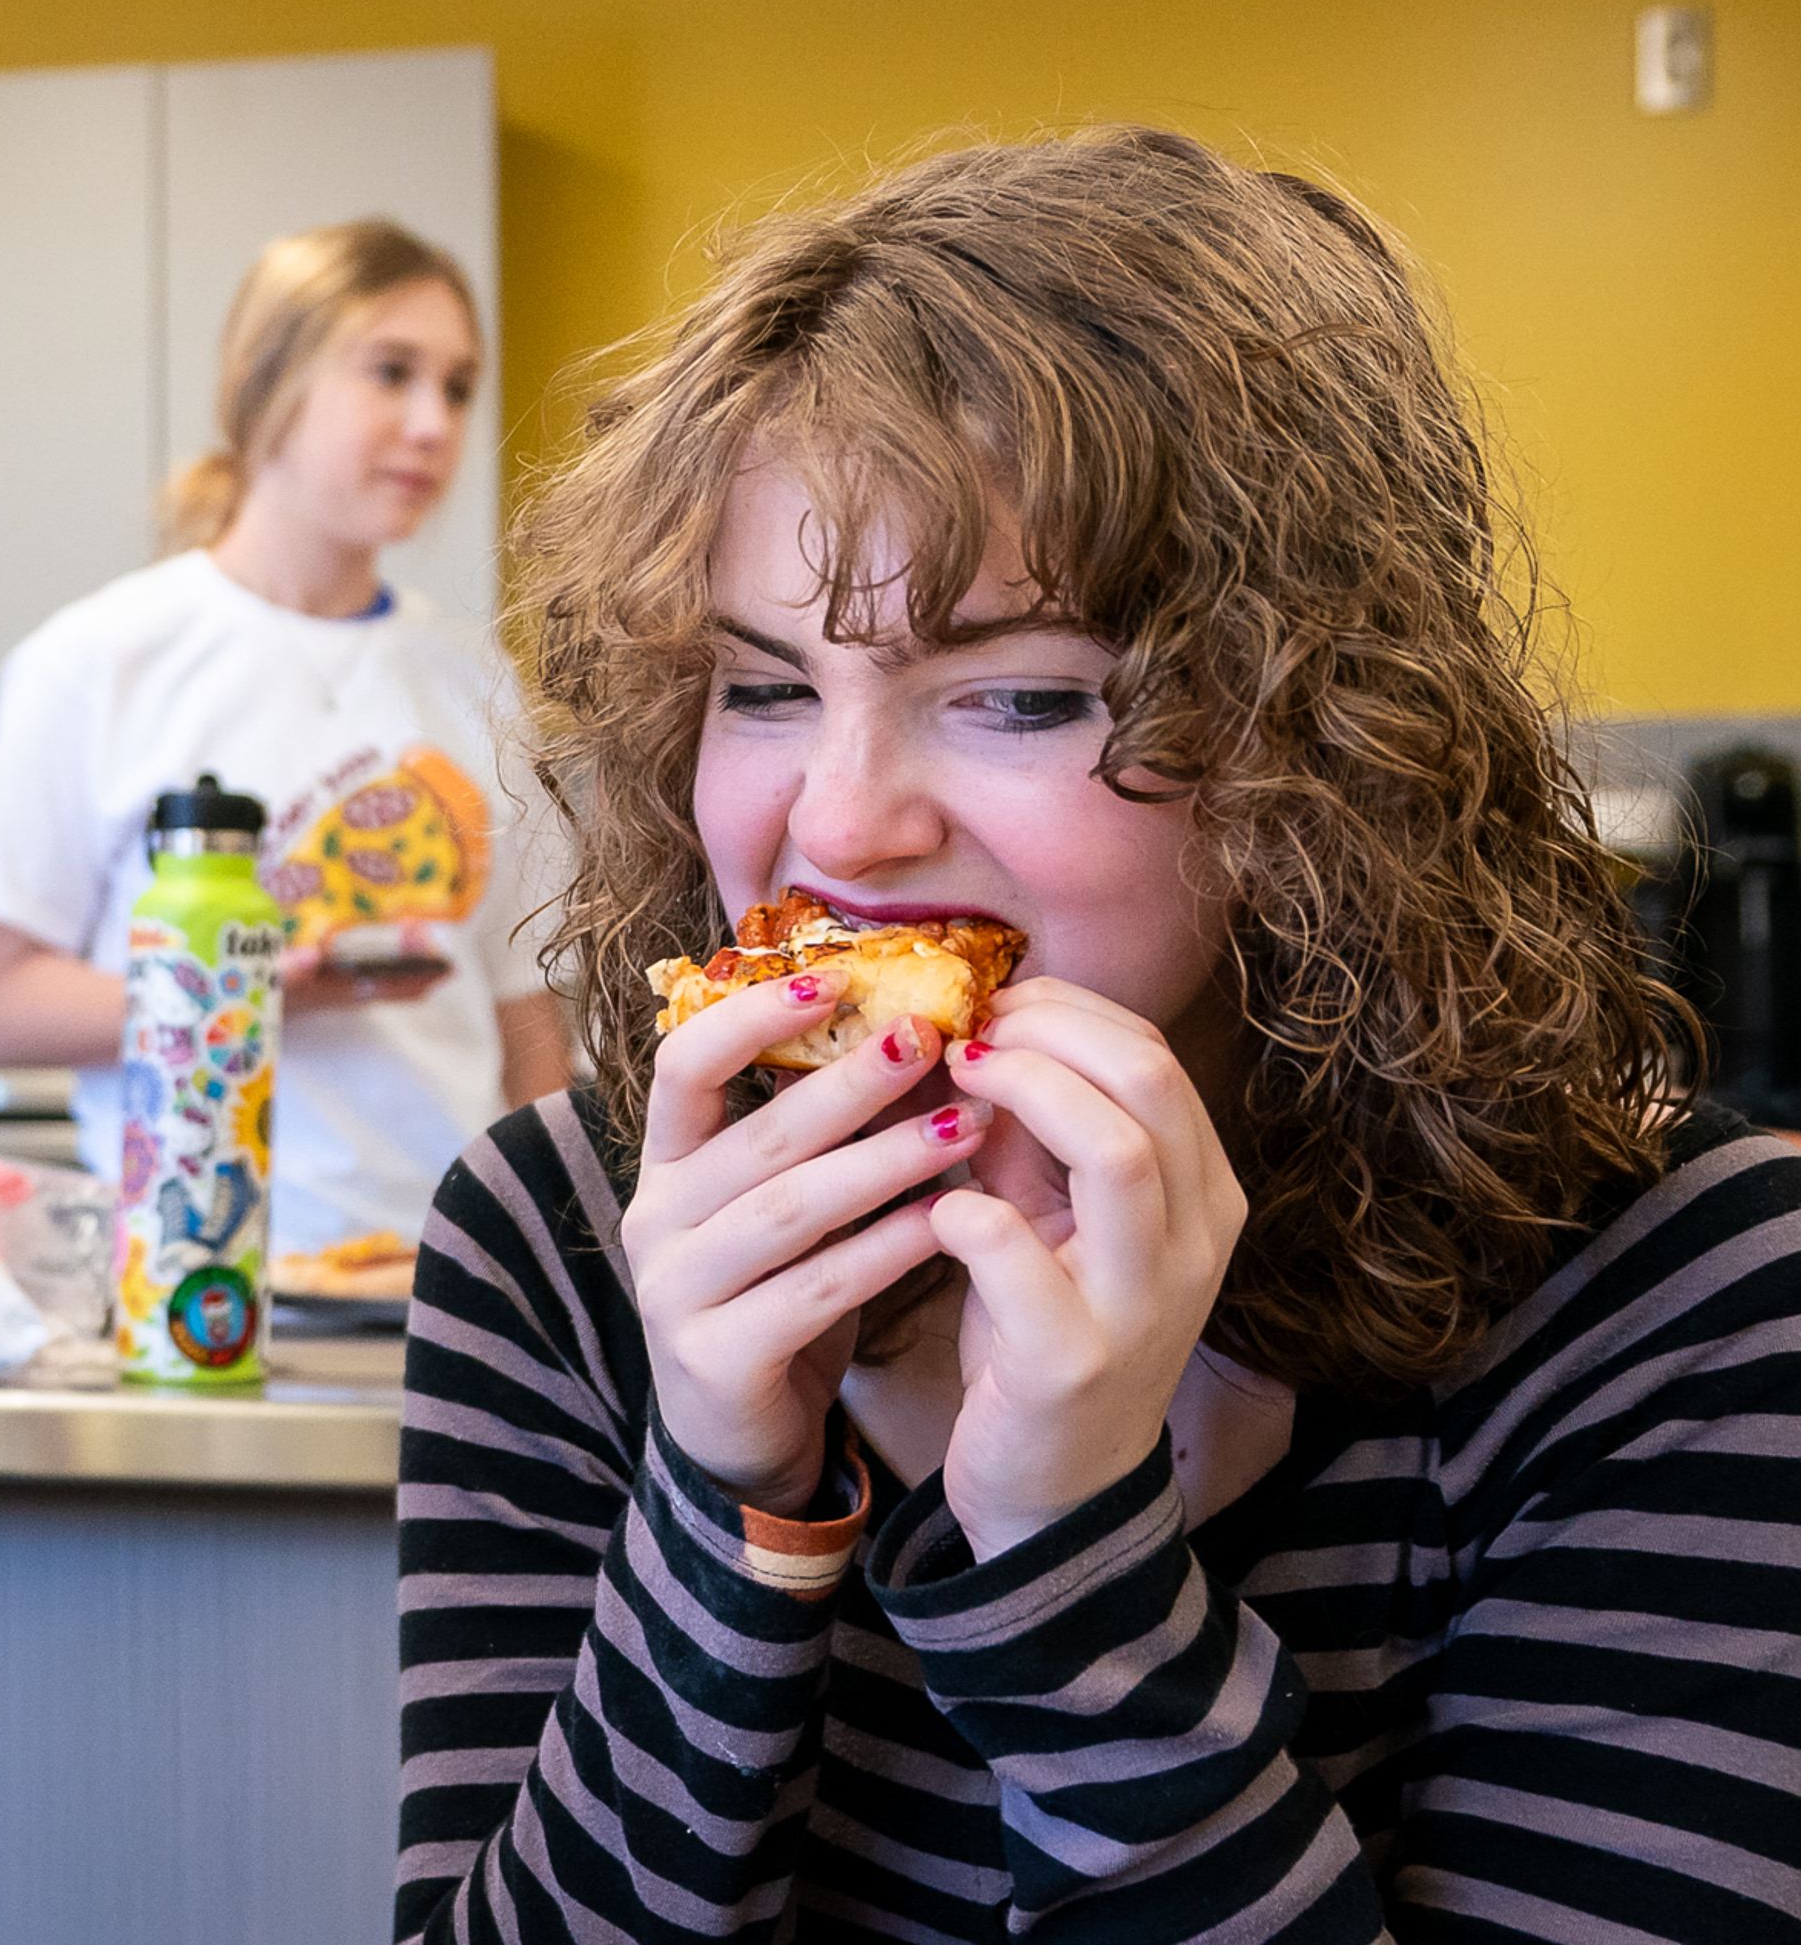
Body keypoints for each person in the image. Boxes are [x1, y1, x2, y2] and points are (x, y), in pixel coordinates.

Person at [395, 129, 1801, 1941]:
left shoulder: (1675, 1294)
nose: (838, 822)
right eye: (762, 686)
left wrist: (1072, 1574)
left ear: (1324, 745)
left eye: (1021, 695)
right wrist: (730, 1504)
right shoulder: (560, 1243)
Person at [0, 217, 571, 1260]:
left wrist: (556, 1252)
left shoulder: (474, 679)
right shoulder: (98, 659)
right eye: (391, 372)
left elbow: (524, 1017)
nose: (433, 423)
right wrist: (261, 978)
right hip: (195, 1264)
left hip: (451, 1273)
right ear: (270, 383)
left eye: (456, 386)